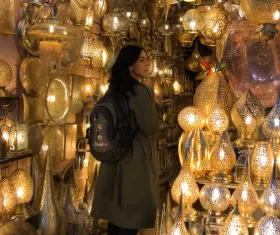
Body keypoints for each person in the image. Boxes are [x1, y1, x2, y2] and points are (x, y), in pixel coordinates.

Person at [91, 45, 160, 235]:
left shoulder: (114, 89)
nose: (147, 64)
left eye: (147, 59)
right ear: (130, 66)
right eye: (141, 60)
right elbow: (149, 127)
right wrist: (158, 112)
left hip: (114, 156)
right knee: (130, 218)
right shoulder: (142, 91)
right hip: (134, 160)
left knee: (116, 218)